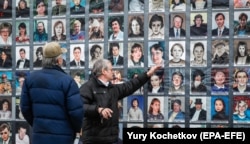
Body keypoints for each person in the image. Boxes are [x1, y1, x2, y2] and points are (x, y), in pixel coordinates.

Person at [80, 58, 161, 143]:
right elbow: (81, 107)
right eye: (111, 69)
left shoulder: (112, 89)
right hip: (94, 140)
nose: (113, 71)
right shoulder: (87, 87)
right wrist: (99, 110)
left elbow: (131, 85)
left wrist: (148, 74)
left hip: (112, 139)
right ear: (104, 71)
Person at [20, 42, 84, 144]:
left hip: (39, 136)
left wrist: (38, 124)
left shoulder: (30, 79)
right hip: (63, 137)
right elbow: (76, 112)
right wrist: (75, 129)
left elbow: (25, 108)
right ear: (59, 60)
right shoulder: (67, 81)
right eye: (61, 57)